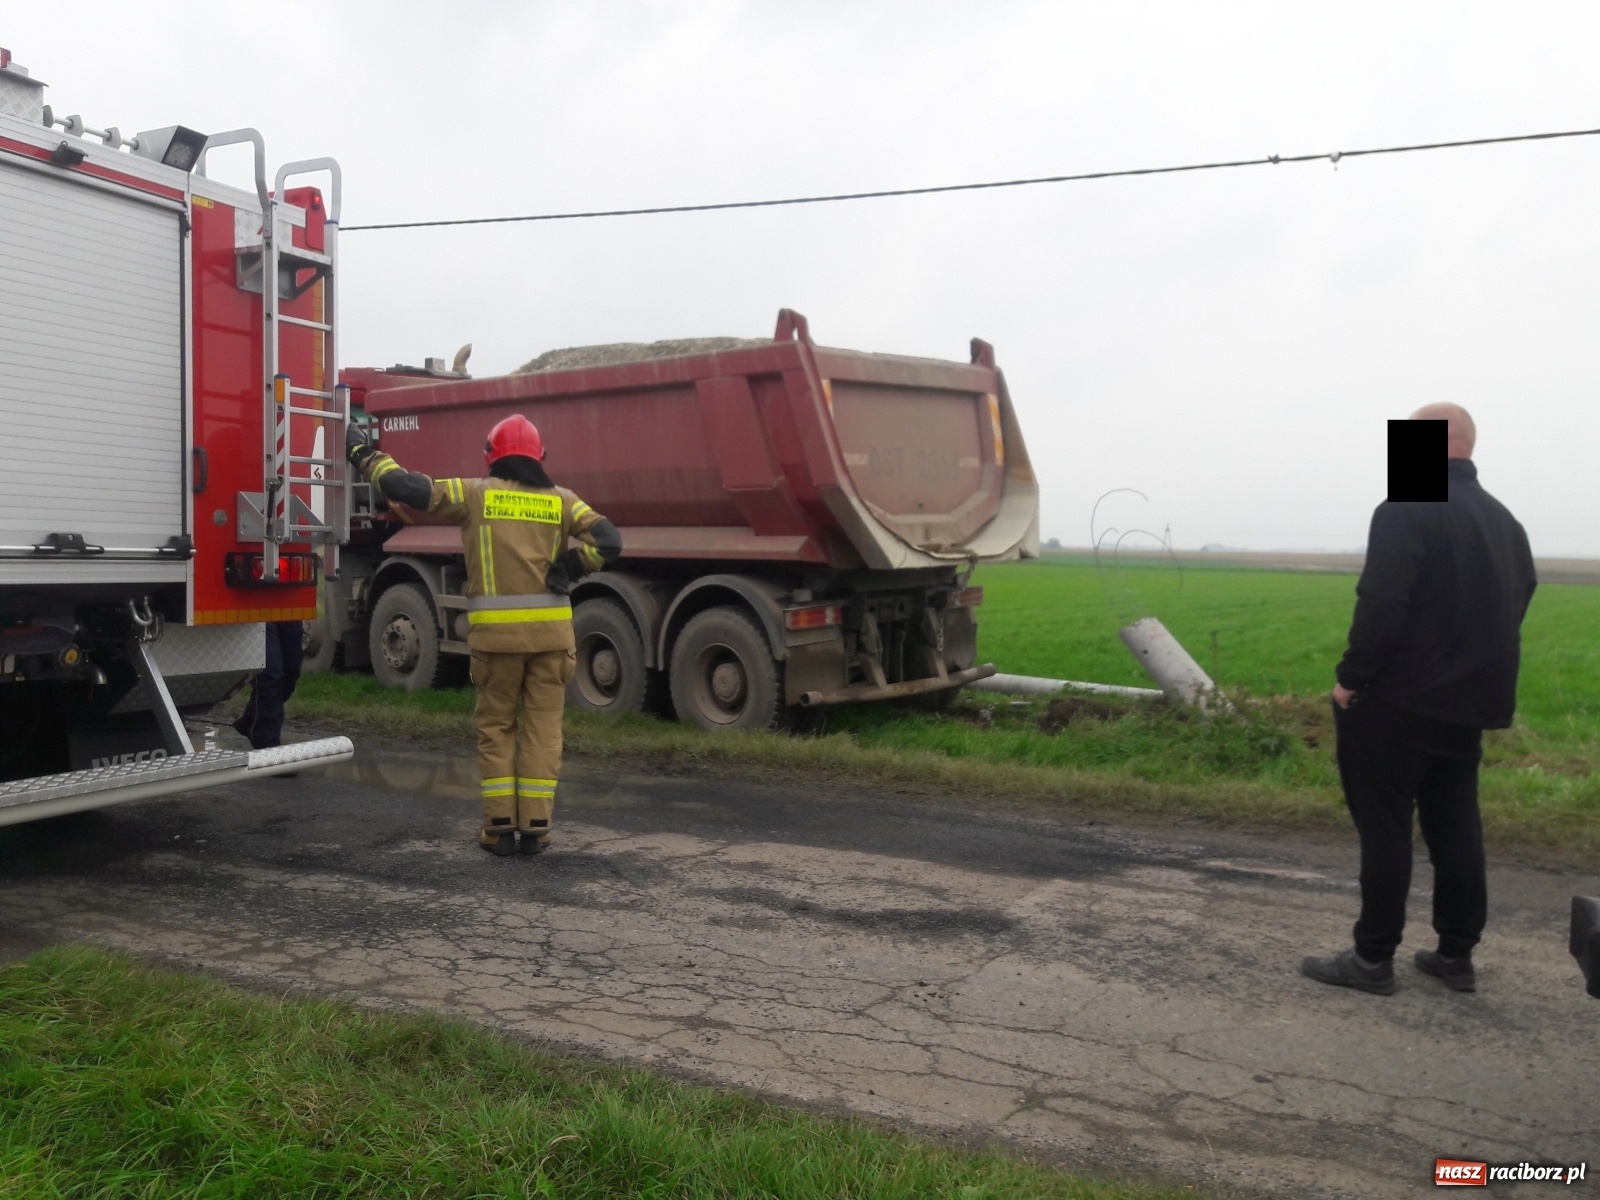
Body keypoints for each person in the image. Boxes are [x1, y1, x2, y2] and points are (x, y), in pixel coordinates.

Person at [1303, 403, 1536, 995]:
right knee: (1456, 825)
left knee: (1385, 826)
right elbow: (1519, 600)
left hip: (1396, 702)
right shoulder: (1505, 521)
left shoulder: (1406, 506)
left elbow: (1382, 601)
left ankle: (1371, 958)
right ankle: (1455, 955)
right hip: (1468, 705)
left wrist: (1351, 679)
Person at [346, 414, 621, 856]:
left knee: (497, 729)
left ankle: (499, 829)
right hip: (552, 643)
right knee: (543, 733)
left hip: (497, 644)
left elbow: (405, 488)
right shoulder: (563, 501)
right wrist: (572, 566)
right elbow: (609, 540)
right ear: (539, 457)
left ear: (492, 457)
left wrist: (362, 452)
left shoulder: (475, 494)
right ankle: (536, 828)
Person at [234, 620, 305, 750]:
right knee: (271, 676)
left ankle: (250, 720)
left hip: (288, 610)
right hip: (257, 612)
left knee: (290, 672)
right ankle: (268, 746)